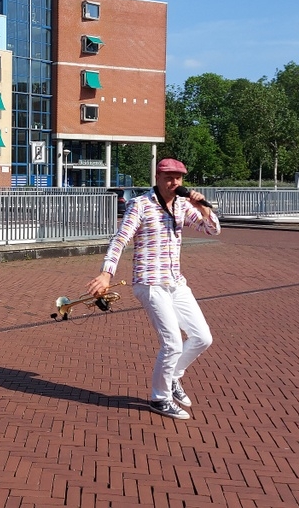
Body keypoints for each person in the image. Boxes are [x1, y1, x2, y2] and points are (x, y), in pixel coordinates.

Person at [87, 158, 221, 419]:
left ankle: (172, 378)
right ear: (158, 178)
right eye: (169, 178)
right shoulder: (140, 205)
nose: (175, 183)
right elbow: (120, 239)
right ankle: (159, 399)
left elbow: (212, 230)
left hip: (175, 282)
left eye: (179, 178)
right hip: (149, 282)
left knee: (203, 338)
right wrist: (106, 273)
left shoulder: (183, 204)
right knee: (172, 343)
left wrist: (203, 208)